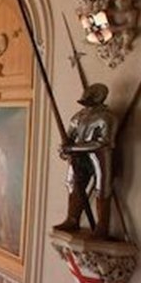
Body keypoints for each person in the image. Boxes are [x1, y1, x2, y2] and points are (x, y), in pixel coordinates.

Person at [54, 83, 117, 239]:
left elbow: (103, 142)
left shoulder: (107, 117)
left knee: (102, 188)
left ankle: (102, 226)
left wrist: (72, 149)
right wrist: (63, 149)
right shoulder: (78, 117)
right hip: (79, 157)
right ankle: (72, 219)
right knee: (73, 184)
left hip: (100, 155)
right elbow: (69, 138)